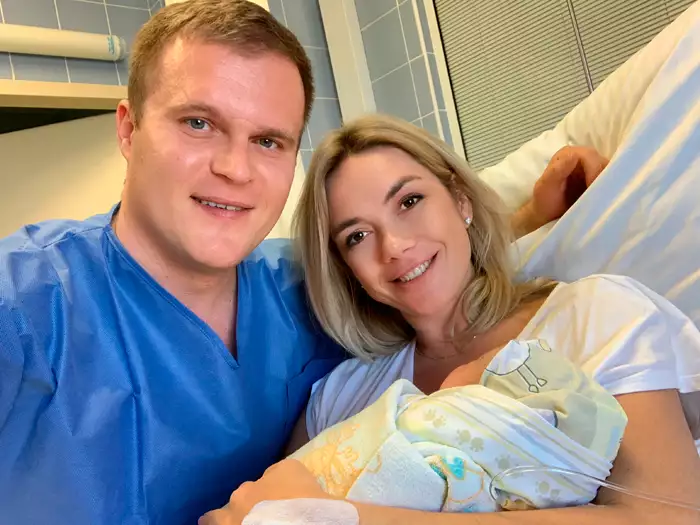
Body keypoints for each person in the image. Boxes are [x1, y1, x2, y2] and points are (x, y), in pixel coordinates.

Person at [0, 2, 603, 524]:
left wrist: (530, 214)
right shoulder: (23, 308)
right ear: (129, 130)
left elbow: (410, 258)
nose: (235, 169)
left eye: (268, 141)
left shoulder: (303, 287)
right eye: (199, 123)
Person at [201, 114, 700, 525]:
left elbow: (671, 516)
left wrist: (350, 518)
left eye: (410, 202)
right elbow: (259, 510)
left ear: (461, 199)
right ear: (345, 268)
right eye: (357, 237)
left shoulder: (593, 318)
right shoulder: (342, 396)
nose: (394, 247)